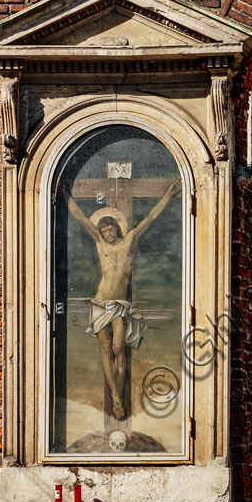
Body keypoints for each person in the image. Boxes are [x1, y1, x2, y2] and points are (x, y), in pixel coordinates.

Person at [65, 178, 181, 420]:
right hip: (100, 302)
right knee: (106, 348)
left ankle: (118, 392)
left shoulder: (130, 241)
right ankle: (115, 394)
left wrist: (169, 195)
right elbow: (81, 219)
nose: (107, 234)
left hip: (119, 305)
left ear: (117, 229)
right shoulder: (99, 243)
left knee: (119, 348)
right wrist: (65, 196)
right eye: (104, 231)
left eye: (110, 230)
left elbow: (150, 218)